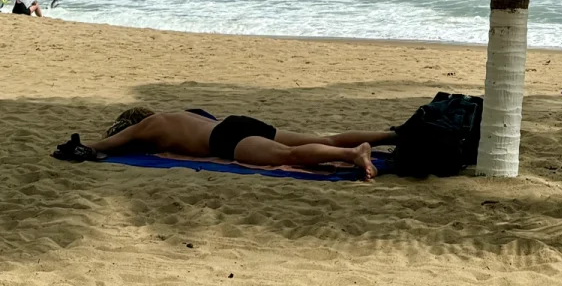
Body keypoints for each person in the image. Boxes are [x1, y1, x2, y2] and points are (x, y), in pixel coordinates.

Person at [53, 106, 393, 177]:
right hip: (235, 122)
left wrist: (80, 147)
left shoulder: (146, 127)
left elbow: (100, 146)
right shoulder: (177, 114)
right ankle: (393, 135)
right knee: (325, 138)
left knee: (286, 155)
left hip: (224, 139)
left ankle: (353, 154)